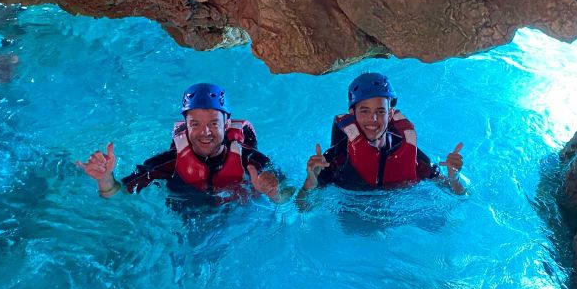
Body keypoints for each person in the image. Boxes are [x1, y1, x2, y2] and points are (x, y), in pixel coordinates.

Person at [77, 83, 285, 202]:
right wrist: (105, 179)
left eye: (214, 123)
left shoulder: (252, 161)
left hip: (235, 219)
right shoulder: (167, 162)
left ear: (227, 124)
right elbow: (119, 196)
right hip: (185, 215)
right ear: (186, 126)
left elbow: (294, 202)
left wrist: (273, 192)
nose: (205, 132)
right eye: (195, 124)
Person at [300, 72, 466, 196]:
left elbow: (457, 194)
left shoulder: (409, 153)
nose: (373, 119)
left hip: (398, 220)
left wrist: (454, 177)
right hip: (353, 217)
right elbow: (302, 207)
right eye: (364, 111)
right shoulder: (338, 158)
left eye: (380, 111)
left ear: (391, 113)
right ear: (352, 113)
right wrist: (310, 182)